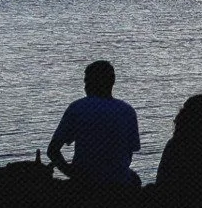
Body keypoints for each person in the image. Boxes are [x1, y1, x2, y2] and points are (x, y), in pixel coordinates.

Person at [47, 59, 141, 188]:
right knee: (135, 179)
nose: (85, 86)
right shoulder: (127, 111)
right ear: (112, 82)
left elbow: (52, 150)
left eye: (86, 82)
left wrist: (70, 172)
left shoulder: (77, 108)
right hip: (119, 183)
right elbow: (131, 150)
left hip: (85, 183)